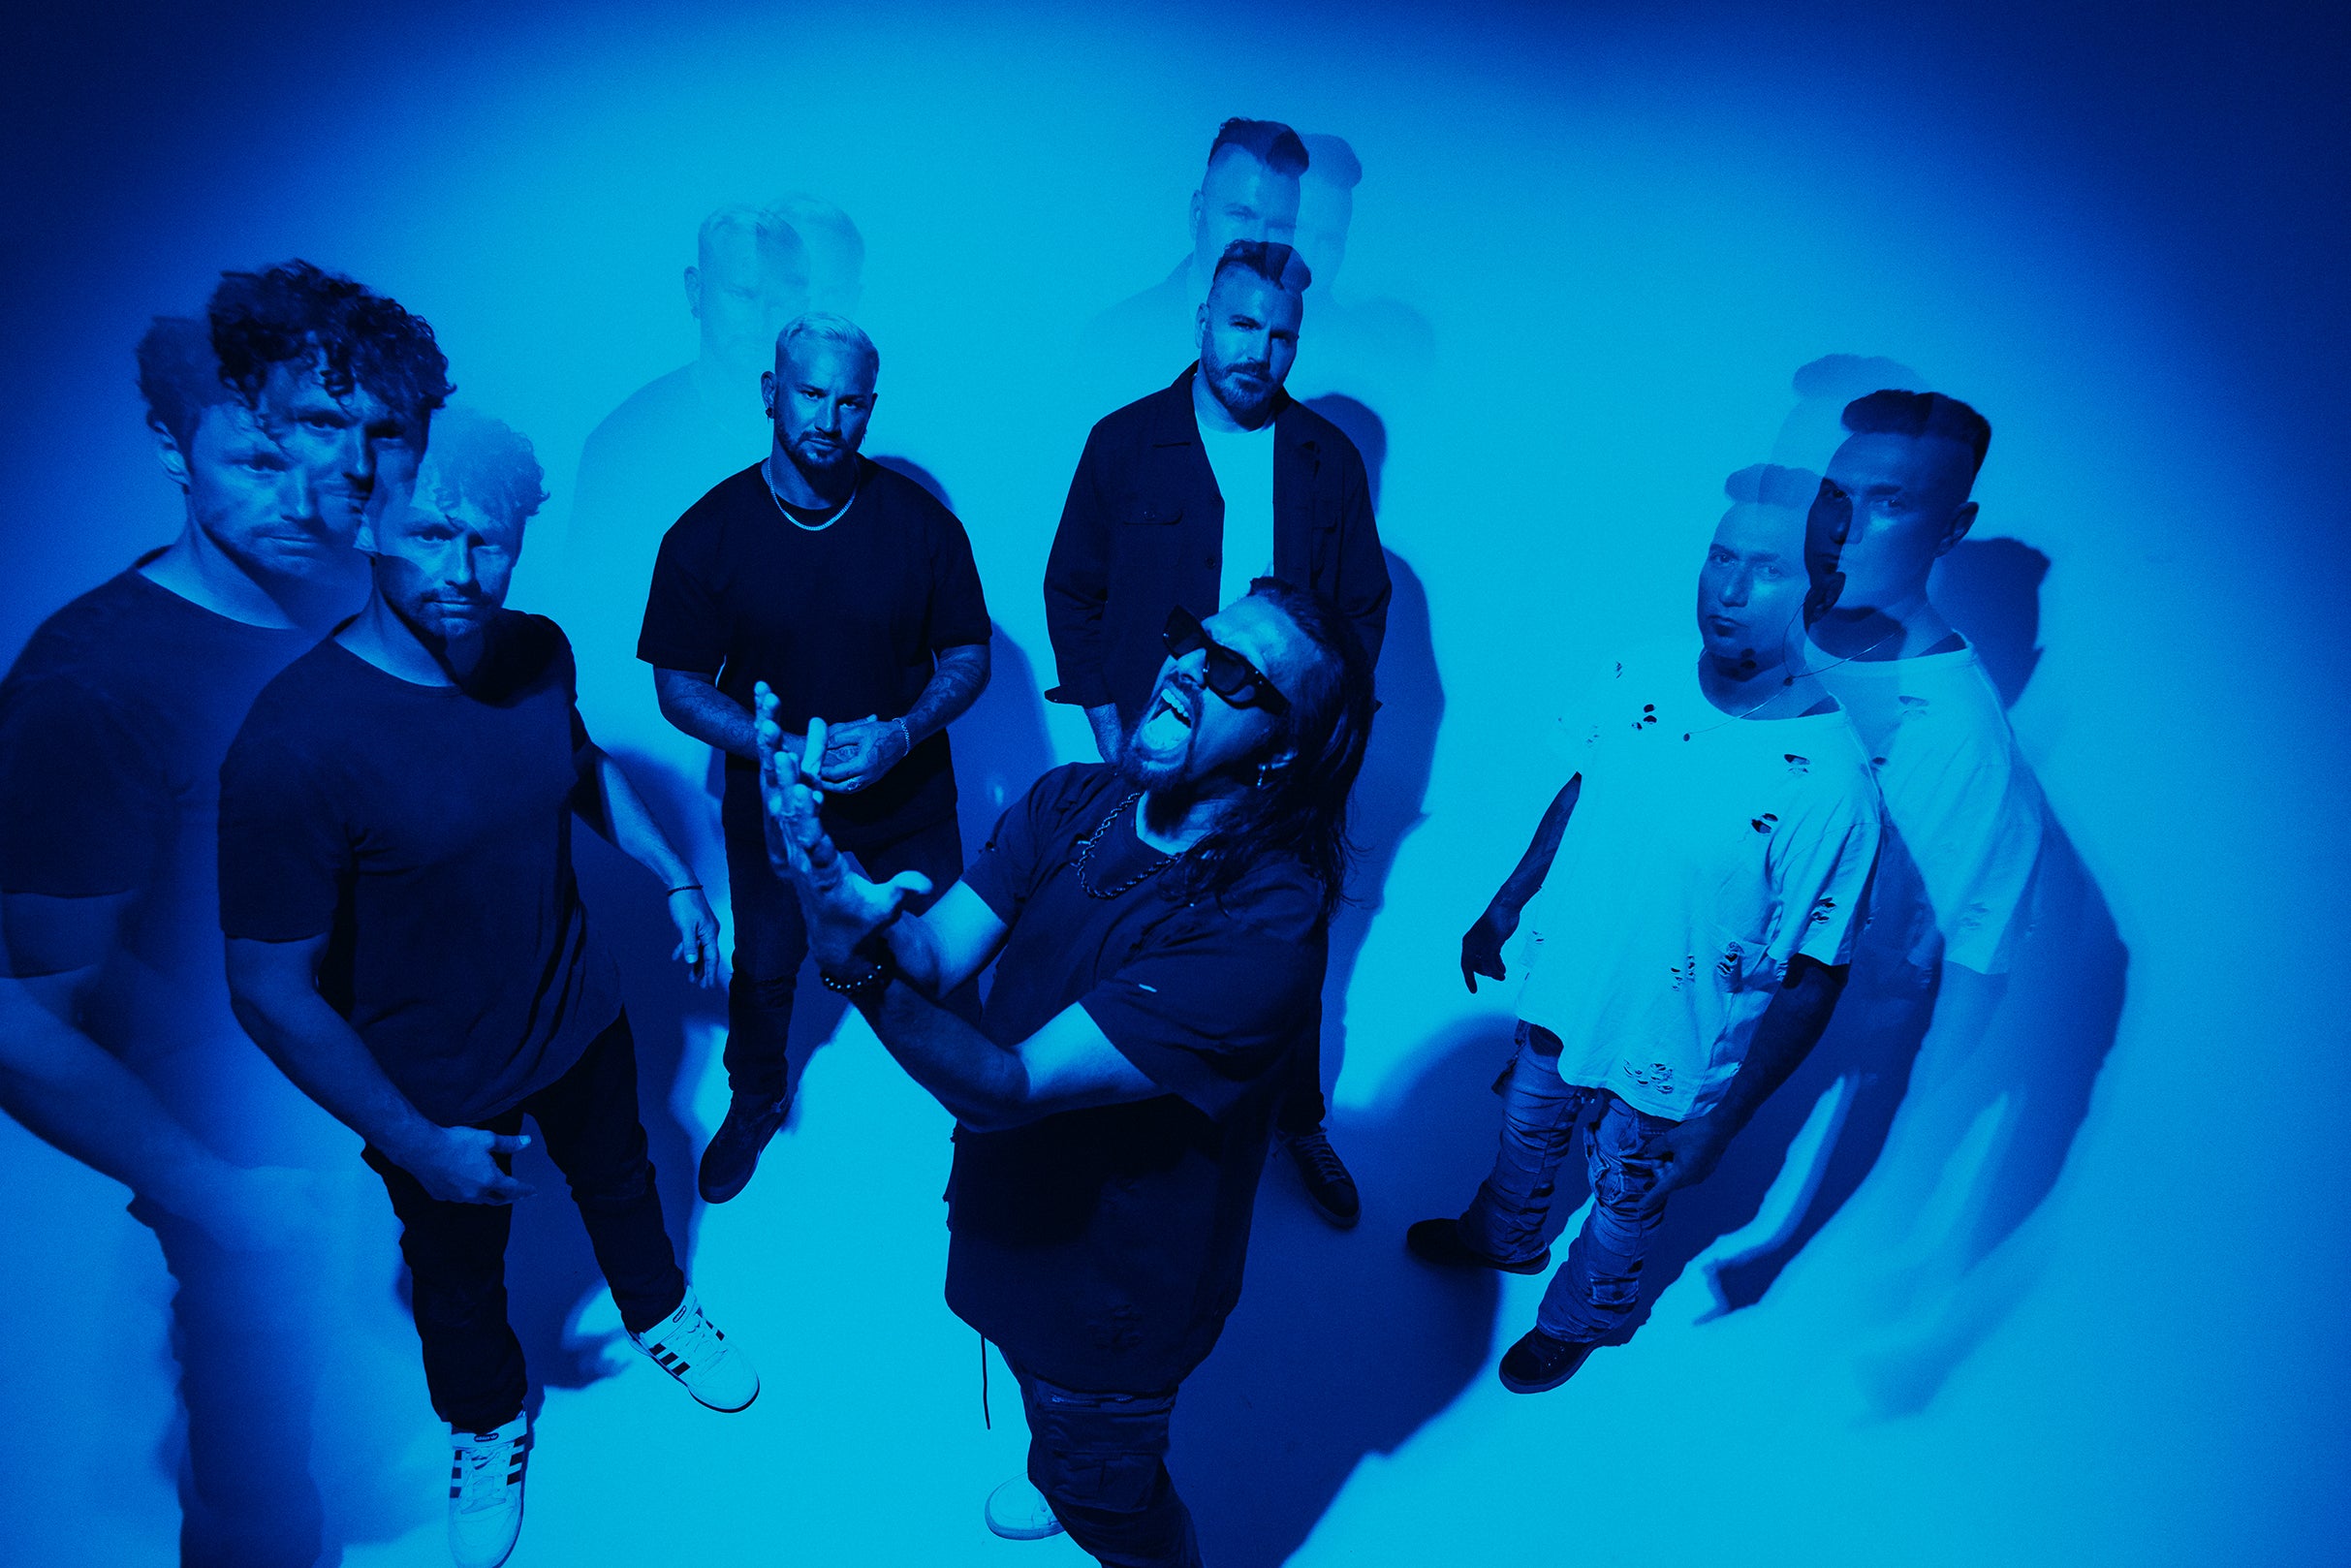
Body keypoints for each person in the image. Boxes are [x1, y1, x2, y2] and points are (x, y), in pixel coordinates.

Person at [219, 408, 755, 1568]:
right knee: (458, 1280)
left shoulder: (536, 651)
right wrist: (417, 1140)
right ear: (370, 522)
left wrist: (674, 878)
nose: (461, 572)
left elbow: (576, 764)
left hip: (578, 1010)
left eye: (490, 541)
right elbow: (265, 989)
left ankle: (658, 1308)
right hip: (436, 1081)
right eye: (431, 534)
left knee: (624, 1176)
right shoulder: (293, 741)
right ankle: (486, 1417)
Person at [756, 577, 1373, 1567]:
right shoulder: (1073, 799)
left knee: (1110, 1495)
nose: (1186, 666)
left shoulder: (1263, 928)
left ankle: (1101, 1505)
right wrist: (834, 889)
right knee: (1046, 1411)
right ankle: (1059, 1461)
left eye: (1233, 673)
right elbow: (934, 957)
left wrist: (852, 965)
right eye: (1192, 637)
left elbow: (1007, 1088)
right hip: (1015, 1215)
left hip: (1110, 1300)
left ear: (1283, 747)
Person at [0, 264, 441, 1568]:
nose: (316, 493)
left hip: (375, 1119)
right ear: (171, 444)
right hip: (253, 1171)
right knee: (261, 1505)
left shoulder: (355, 599)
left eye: (359, 447)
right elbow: (21, 1021)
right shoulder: (91, 689)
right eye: (261, 454)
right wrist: (218, 1193)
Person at [1420, 465, 1883, 1393]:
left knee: (1625, 1200)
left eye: (1770, 569)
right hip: (1567, 988)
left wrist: (1724, 1122)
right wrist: (1506, 904)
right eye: (1721, 556)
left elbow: (1814, 975)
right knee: (1524, 1126)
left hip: (1677, 1046)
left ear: (1823, 591)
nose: (1729, 589)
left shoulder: (1831, 785)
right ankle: (1502, 1236)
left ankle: (1585, 1315)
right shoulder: (1640, 671)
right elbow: (1584, 791)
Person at [1047, 238, 1390, 1228]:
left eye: (1282, 336)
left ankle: (1296, 1117)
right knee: (1126, 915)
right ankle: (1119, 1105)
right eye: (1242, 324)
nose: (1260, 351)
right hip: (1155, 746)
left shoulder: (1327, 459)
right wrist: (1110, 718)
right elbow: (1071, 587)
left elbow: (1360, 613)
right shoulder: (1123, 443)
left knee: (1284, 939)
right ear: (1202, 318)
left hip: (1276, 765)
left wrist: (1314, 745)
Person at [640, 312, 992, 1203]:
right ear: (772, 392)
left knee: (947, 961)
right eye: (810, 393)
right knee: (765, 970)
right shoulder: (705, 535)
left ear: (871, 406)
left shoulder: (923, 526)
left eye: (850, 401)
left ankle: (983, 1116)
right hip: (778, 811)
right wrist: (783, 747)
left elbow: (968, 655)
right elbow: (678, 685)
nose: (829, 420)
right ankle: (756, 1099)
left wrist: (902, 733)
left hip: (909, 800)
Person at [1078, 117, 1309, 404]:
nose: (1258, 239)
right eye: (1240, 215)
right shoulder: (1113, 339)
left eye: (1280, 226)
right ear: (1197, 214)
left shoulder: (1322, 348)